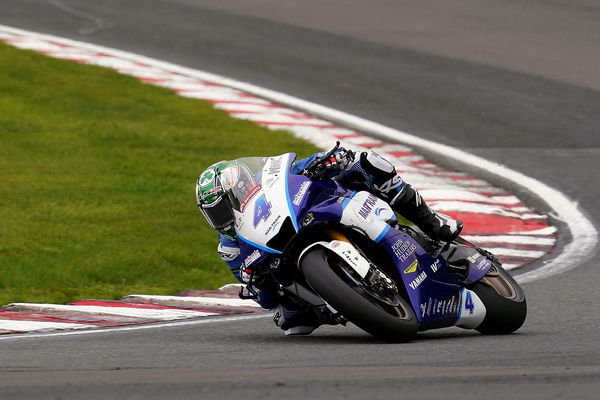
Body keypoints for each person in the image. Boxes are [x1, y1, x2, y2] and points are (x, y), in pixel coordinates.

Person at [195, 147, 462, 335]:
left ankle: (431, 221)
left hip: (325, 209)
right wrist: (258, 284)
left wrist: (330, 160)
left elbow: (302, 167)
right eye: (213, 214)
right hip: (288, 263)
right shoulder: (229, 247)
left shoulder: (266, 181)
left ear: (240, 187)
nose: (221, 219)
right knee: (291, 323)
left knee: (366, 163)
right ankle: (340, 301)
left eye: (222, 208)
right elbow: (262, 297)